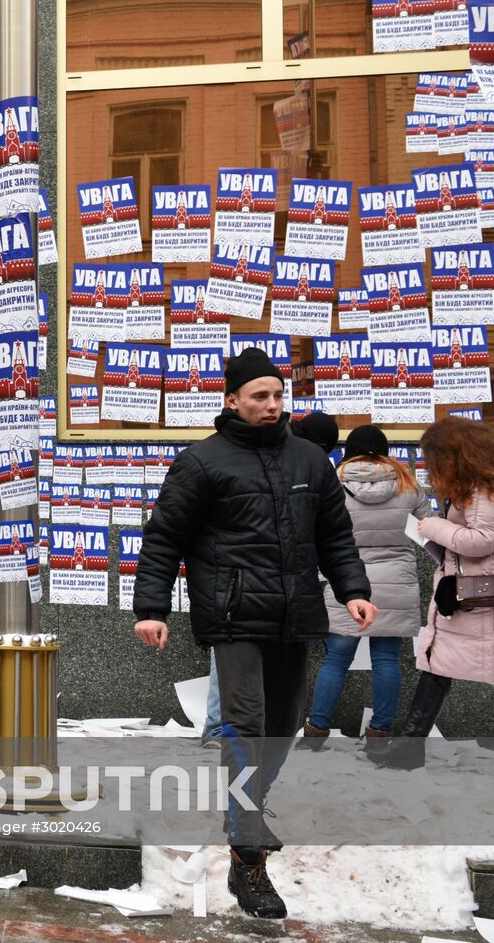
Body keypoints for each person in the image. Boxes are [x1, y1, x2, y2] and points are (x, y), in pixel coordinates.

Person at [133, 347, 375, 920]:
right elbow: (164, 538)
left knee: (284, 726)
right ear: (231, 400)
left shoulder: (310, 461)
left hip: (294, 615)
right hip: (233, 615)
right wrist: (152, 609)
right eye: (259, 396)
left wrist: (353, 589)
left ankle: (247, 808)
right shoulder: (202, 463)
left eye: (277, 395)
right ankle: (248, 859)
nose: (271, 405)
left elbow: (335, 535)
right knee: (244, 724)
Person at [200, 411, 342, 746]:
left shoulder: (306, 464)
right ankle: (223, 732)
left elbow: (331, 534)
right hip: (245, 588)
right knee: (234, 670)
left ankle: (228, 734)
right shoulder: (232, 461)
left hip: (275, 590)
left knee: (266, 690)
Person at [375, 416, 494, 770]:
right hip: (472, 596)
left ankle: (408, 747)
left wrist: (432, 526)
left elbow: (480, 541)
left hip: (481, 600)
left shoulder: (483, 490)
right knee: (435, 665)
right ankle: (409, 746)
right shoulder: (480, 486)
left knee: (441, 666)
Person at [298, 426, 430, 756]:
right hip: (396, 582)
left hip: (347, 580)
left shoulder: (334, 480)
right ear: (384, 449)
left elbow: (316, 530)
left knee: (336, 659)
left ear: (350, 449)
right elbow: (428, 533)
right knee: (387, 659)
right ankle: (380, 732)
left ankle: (316, 729)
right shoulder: (408, 483)